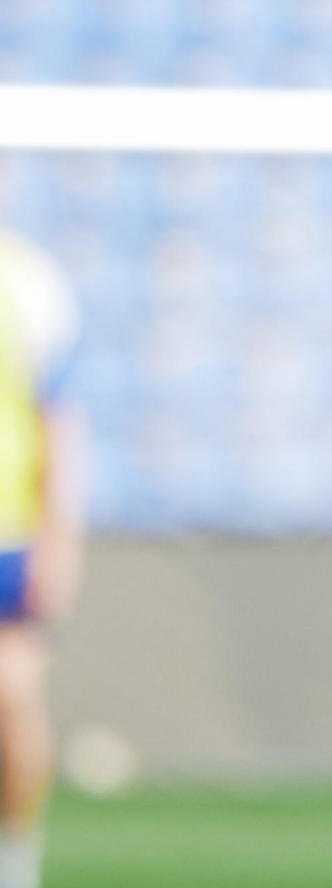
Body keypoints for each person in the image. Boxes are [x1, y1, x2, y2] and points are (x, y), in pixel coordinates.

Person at [0, 231, 85, 888]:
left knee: (11, 698)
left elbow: (58, 418)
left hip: (9, 539)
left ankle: (14, 864)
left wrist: (58, 541)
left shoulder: (27, 278)